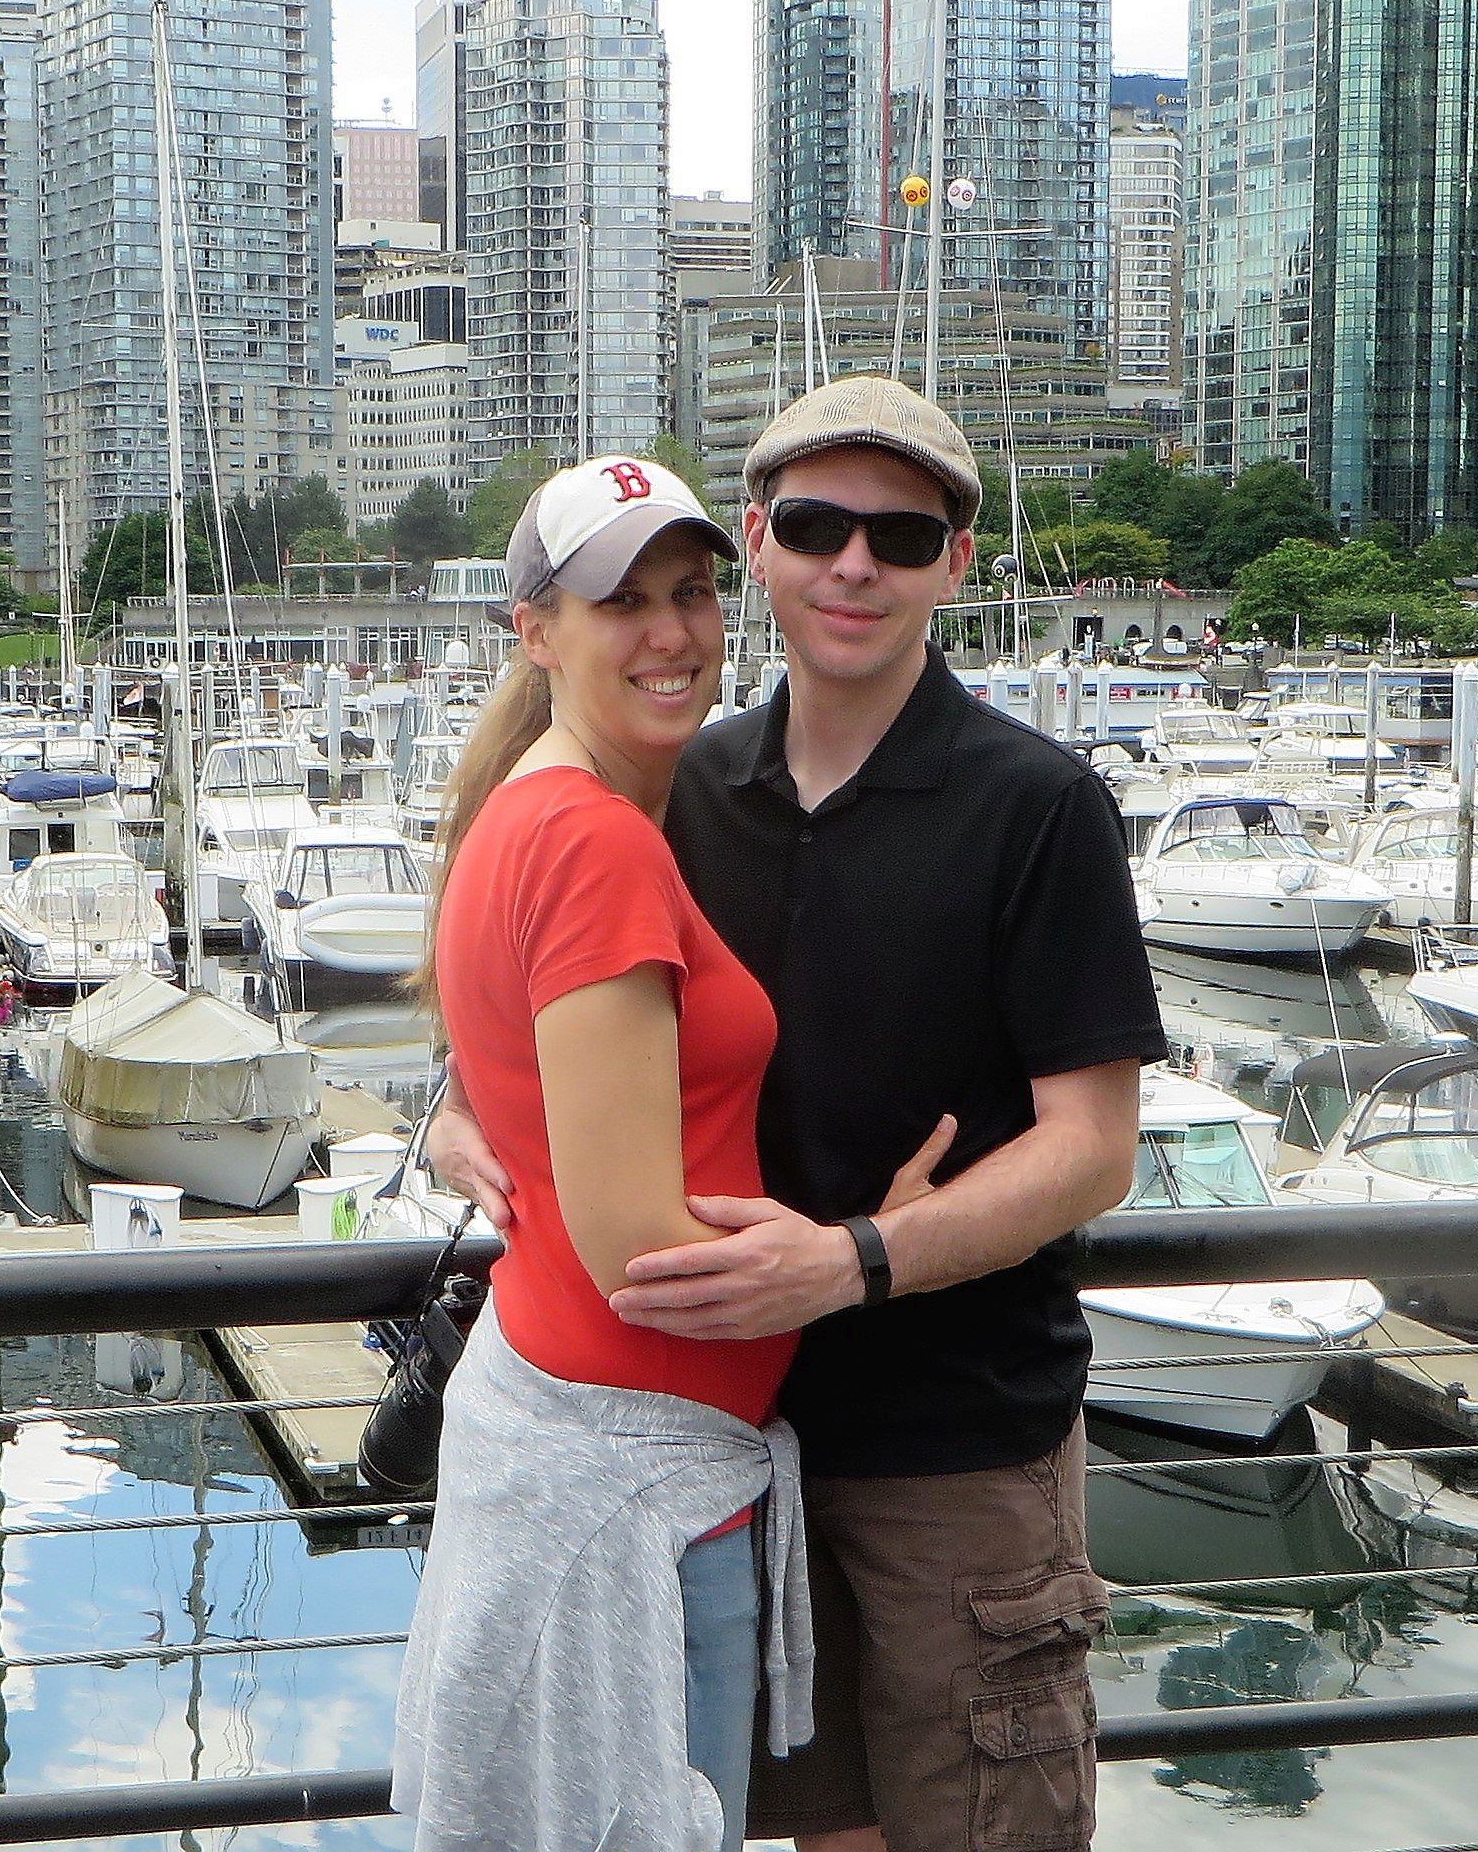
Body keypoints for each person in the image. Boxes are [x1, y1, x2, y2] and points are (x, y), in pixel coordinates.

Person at [430, 378, 1164, 1851]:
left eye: (904, 537)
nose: (856, 566)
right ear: (762, 544)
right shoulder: (686, 786)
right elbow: (562, 992)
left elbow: (1095, 1147)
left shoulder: (1037, 804)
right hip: (745, 1450)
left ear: (958, 562)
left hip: (956, 1446)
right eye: (820, 526)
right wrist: (459, 1107)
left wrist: (855, 1259)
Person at [392, 454, 814, 1852]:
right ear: (536, 631)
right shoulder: (593, 842)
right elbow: (639, 1246)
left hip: (573, 1456)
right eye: (622, 602)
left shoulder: (529, 811)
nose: (671, 632)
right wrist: (867, 1253)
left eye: (691, 592)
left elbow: (524, 1083)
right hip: (631, 1500)